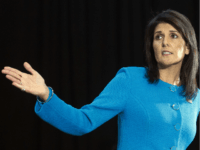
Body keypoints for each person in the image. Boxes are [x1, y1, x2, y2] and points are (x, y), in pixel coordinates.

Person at [2, 9, 200, 150]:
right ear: (152, 46)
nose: (165, 41)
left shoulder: (195, 95)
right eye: (158, 37)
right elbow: (83, 122)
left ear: (188, 47)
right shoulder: (130, 79)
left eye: (173, 35)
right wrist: (46, 94)